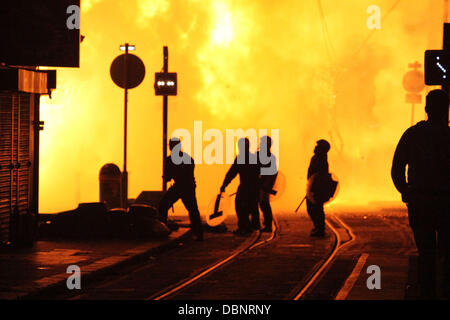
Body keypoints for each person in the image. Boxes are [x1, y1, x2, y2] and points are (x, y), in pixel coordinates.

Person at [391, 89, 450, 299]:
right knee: (446, 252)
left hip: (420, 202)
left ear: (426, 109)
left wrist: (406, 191)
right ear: (446, 110)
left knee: (426, 253)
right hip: (446, 203)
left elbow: (397, 167)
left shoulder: (412, 134)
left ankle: (427, 292)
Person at [158, 137, 203, 241]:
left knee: (163, 206)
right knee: (193, 210)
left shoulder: (170, 160)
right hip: (188, 187)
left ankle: (163, 230)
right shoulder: (188, 158)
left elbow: (167, 177)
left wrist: (166, 176)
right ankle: (199, 233)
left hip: (180, 187)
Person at [221, 137, 260, 235]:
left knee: (240, 206)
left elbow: (231, 173)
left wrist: (224, 185)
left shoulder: (240, 158)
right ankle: (253, 225)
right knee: (252, 206)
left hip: (245, 186)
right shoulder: (255, 157)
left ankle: (244, 227)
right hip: (255, 186)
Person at [306, 139, 331, 237]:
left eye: (318, 146)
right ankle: (318, 227)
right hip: (312, 186)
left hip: (317, 188)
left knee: (316, 208)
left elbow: (319, 175)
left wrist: (313, 187)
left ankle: (320, 228)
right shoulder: (316, 158)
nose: (315, 147)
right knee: (313, 208)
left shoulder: (321, 159)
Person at [257, 136, 278, 232]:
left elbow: (273, 173)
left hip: (264, 186)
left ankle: (268, 225)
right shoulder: (265, 156)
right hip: (261, 185)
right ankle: (264, 224)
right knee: (262, 205)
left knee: (264, 205)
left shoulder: (269, 157)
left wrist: (267, 184)